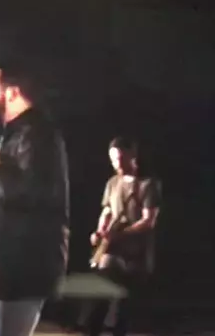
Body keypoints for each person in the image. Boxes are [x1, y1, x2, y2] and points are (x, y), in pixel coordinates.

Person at [0, 63, 70, 336]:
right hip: (10, 267)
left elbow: (36, 193)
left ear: (12, 92)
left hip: (22, 269)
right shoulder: (18, 134)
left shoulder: (37, 135)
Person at [84, 136, 161, 336]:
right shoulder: (112, 183)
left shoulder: (148, 184)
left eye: (119, 158)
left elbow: (149, 220)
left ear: (132, 155)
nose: (116, 164)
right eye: (112, 159)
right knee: (99, 300)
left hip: (136, 254)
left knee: (123, 309)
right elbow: (107, 210)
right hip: (112, 251)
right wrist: (100, 231)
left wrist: (121, 235)